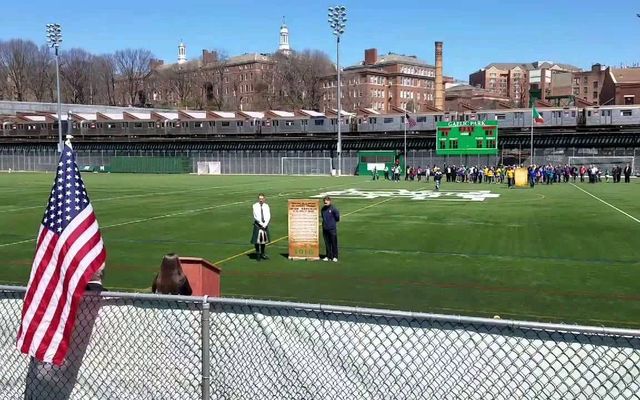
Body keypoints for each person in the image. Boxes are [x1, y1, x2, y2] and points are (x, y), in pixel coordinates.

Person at [251, 193, 271, 261]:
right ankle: (257, 254)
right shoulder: (254, 206)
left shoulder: (266, 206)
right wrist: (261, 224)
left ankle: (263, 254)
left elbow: (268, 215)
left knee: (263, 240)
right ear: (258, 199)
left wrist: (265, 224)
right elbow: (255, 216)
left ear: (264, 199)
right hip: (258, 225)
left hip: (265, 225)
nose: (261, 200)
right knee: (257, 241)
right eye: (260, 199)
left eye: (262, 199)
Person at [321, 196, 340, 262]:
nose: (325, 202)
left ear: (329, 201)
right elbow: (323, 217)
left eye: (326, 201)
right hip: (325, 228)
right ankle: (328, 256)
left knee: (333, 243)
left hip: (332, 229)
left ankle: (335, 256)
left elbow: (337, 218)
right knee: (327, 243)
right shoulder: (323, 209)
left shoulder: (333, 209)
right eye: (324, 201)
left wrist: (332, 223)